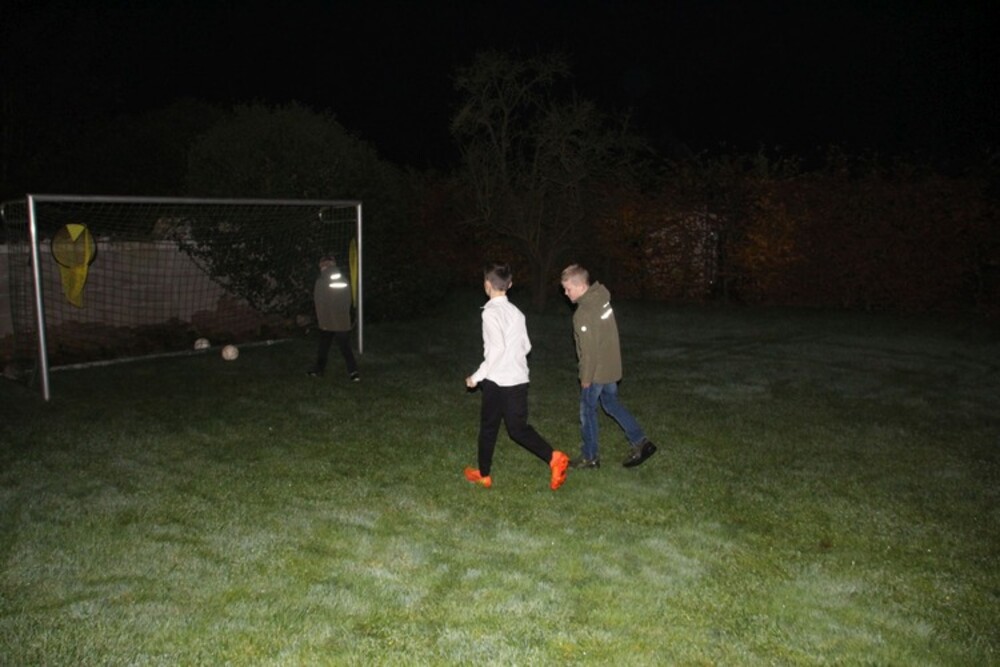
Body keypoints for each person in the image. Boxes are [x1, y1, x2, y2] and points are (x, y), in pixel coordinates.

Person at [464, 262, 569, 490]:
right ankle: (554, 457)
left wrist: (476, 377)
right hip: (518, 380)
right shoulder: (517, 313)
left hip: (496, 380)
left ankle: (484, 475)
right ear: (509, 285)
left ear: (486, 284)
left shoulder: (490, 313)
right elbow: (527, 346)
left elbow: (497, 349)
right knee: (518, 429)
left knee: (489, 427)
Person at [560, 263, 657, 469]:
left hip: (596, 372)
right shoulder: (601, 299)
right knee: (611, 404)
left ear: (581, 286)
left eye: (568, 289)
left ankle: (590, 457)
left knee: (587, 411)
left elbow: (589, 351)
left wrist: (586, 378)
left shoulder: (583, 313)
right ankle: (641, 442)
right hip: (611, 367)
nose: (565, 293)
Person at [307, 255, 359, 382]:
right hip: (341, 321)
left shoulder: (322, 280)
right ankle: (353, 372)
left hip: (327, 321)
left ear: (324, 265)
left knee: (324, 347)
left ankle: (319, 370)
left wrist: (320, 320)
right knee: (345, 348)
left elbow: (320, 302)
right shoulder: (343, 278)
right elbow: (347, 299)